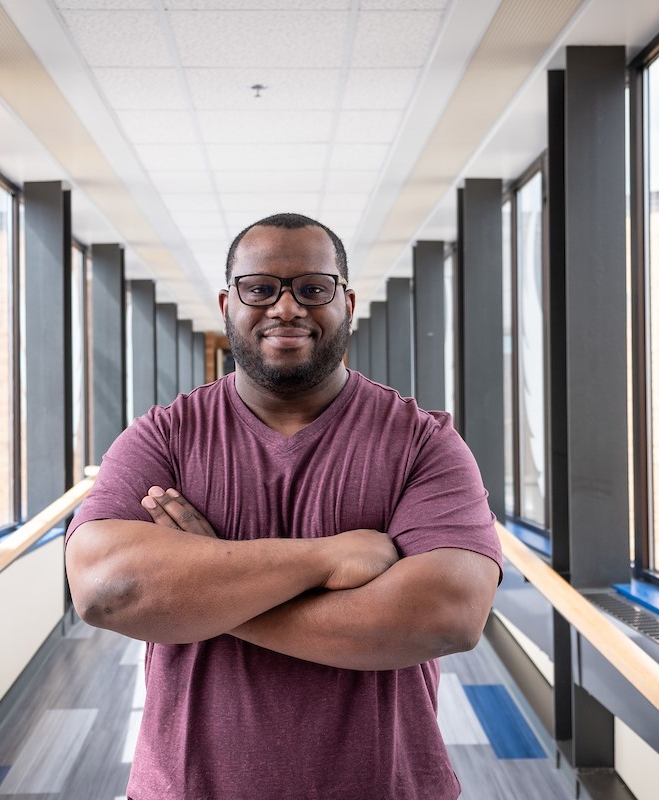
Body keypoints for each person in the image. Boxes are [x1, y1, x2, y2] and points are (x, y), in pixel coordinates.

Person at [65, 212, 502, 800]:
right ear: (228, 302)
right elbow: (105, 589)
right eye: (261, 288)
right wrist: (328, 560)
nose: (287, 308)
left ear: (346, 302)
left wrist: (200, 591)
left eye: (313, 289)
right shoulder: (164, 437)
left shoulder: (422, 441)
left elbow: (447, 615)